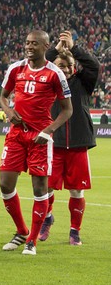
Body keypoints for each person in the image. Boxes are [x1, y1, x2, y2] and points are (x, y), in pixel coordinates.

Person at [0, 30, 73, 255]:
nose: (29, 47)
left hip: (40, 138)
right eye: (27, 43)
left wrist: (48, 131)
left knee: (40, 189)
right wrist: (9, 111)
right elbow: (2, 96)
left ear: (45, 46)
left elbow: (68, 110)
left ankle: (32, 240)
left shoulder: (55, 74)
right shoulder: (16, 69)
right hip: (16, 135)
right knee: (5, 184)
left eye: (34, 44)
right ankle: (21, 231)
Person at [41, 31, 99, 245]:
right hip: (52, 143)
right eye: (59, 66)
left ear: (73, 68)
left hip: (78, 143)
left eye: (67, 66)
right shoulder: (48, 82)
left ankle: (75, 231)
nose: (63, 69)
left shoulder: (83, 83)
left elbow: (93, 65)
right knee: (45, 187)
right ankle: (47, 219)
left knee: (76, 189)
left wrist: (73, 48)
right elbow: (40, 61)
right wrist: (56, 49)